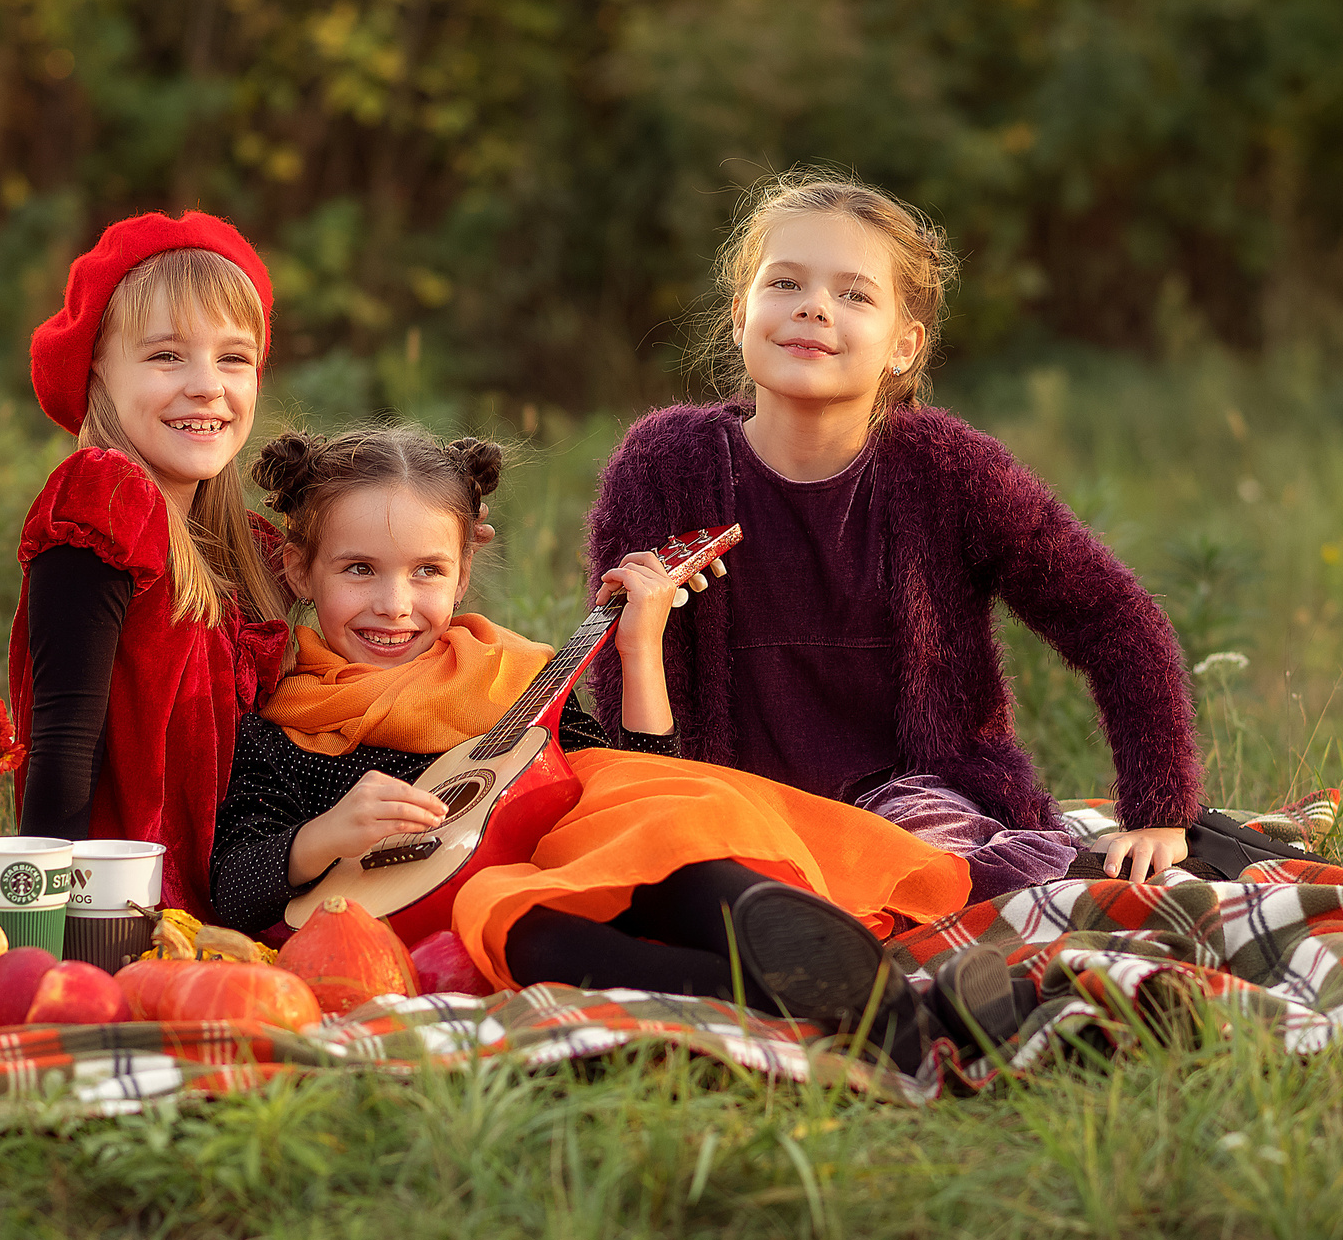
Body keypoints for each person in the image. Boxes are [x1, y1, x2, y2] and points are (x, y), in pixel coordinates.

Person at [210, 424, 1016, 1071]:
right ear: (298, 567)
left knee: (661, 840)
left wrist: (638, 648)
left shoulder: (508, 679)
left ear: (461, 576)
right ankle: (895, 1008)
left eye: (426, 571)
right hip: (488, 920)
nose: (395, 604)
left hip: (604, 872)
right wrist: (324, 836)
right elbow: (231, 885)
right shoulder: (283, 726)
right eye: (360, 569)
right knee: (518, 920)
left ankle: (849, 981)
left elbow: (630, 780)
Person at [584, 169, 1205, 897]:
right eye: (784, 284)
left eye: (853, 294)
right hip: (737, 808)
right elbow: (638, 754)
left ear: (904, 346)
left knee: (923, 856)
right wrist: (637, 642)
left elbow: (1110, 616)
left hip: (913, 806)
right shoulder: (664, 466)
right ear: (738, 316)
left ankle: (901, 930)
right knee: (656, 863)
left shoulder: (949, 470)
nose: (813, 308)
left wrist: (1160, 810)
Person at [6, 211, 293, 919]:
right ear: (97, 365)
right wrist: (47, 942)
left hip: (234, 905)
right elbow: (62, 750)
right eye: (167, 356)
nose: (206, 386)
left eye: (233, 359)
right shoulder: (104, 500)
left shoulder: (244, 548)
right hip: (118, 917)